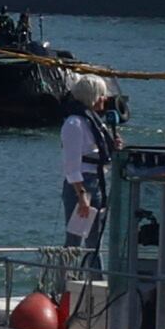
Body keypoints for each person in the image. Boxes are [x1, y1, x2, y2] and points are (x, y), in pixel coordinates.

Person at [57, 94, 107, 251]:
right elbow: (71, 164)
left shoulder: (93, 122)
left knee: (95, 239)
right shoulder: (74, 123)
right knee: (75, 238)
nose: (104, 99)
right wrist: (81, 195)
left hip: (98, 180)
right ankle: (66, 274)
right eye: (101, 95)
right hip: (82, 183)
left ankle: (95, 274)